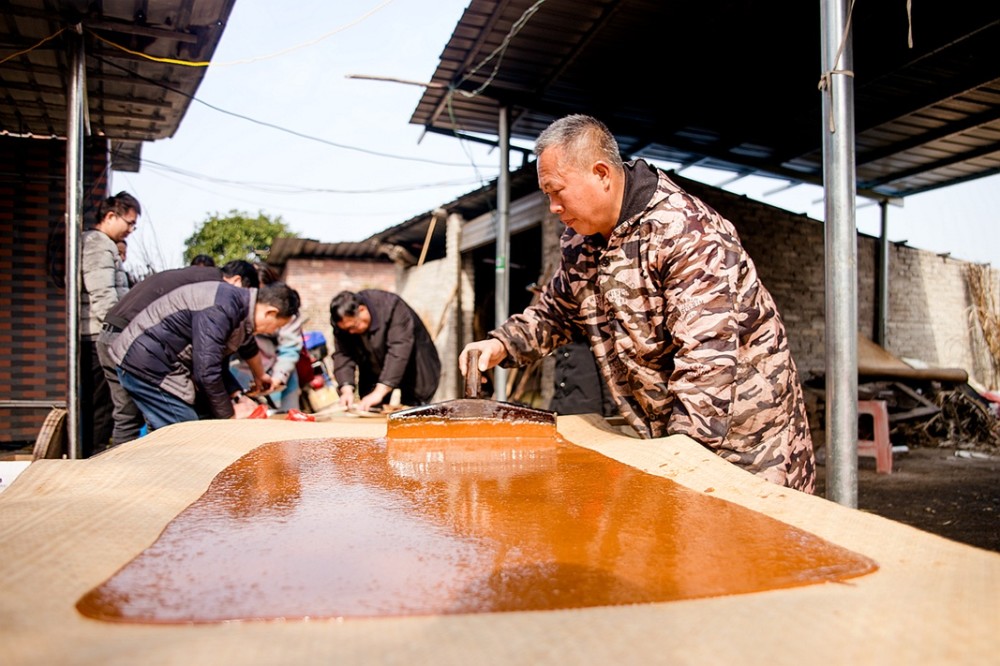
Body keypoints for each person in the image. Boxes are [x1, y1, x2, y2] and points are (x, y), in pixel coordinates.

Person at [459, 114, 816, 493]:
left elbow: (706, 369)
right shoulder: (583, 244)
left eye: (556, 191)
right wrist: (500, 345)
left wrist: (675, 471)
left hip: (747, 448)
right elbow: (557, 312)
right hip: (671, 441)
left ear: (601, 174)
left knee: (755, 548)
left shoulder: (688, 233)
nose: (553, 207)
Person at [97, 260, 263, 446]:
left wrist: (236, 392)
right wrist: (230, 412)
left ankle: (128, 467)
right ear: (237, 281)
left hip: (116, 335)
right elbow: (210, 360)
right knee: (139, 418)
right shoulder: (219, 293)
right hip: (130, 341)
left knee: (134, 418)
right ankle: (116, 470)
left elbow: (214, 355)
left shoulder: (204, 280)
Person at [108, 280, 300, 431]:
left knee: (182, 433)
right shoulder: (222, 309)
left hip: (156, 361)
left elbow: (218, 360)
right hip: (148, 364)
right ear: (270, 312)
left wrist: (238, 394)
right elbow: (207, 371)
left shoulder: (237, 307)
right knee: (188, 435)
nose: (272, 331)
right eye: (278, 326)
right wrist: (230, 416)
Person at [80, 191, 140, 457]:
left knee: (102, 407)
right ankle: (92, 461)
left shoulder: (102, 244)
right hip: (98, 337)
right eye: (129, 223)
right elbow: (103, 296)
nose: (130, 229)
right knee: (102, 408)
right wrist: (118, 332)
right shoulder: (98, 244)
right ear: (110, 216)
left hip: (99, 335)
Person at [329, 290, 441, 411]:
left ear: (362, 310)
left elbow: (398, 349)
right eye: (346, 330)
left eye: (353, 326)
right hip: (374, 370)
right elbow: (343, 354)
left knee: (413, 415)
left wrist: (380, 391)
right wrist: (346, 389)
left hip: (416, 367)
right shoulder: (343, 325)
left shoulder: (392, 306)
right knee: (369, 409)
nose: (350, 332)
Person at [230, 263, 304, 412]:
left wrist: (277, 378)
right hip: (241, 375)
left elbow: (289, 348)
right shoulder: (236, 309)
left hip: (280, 378)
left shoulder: (287, 313)